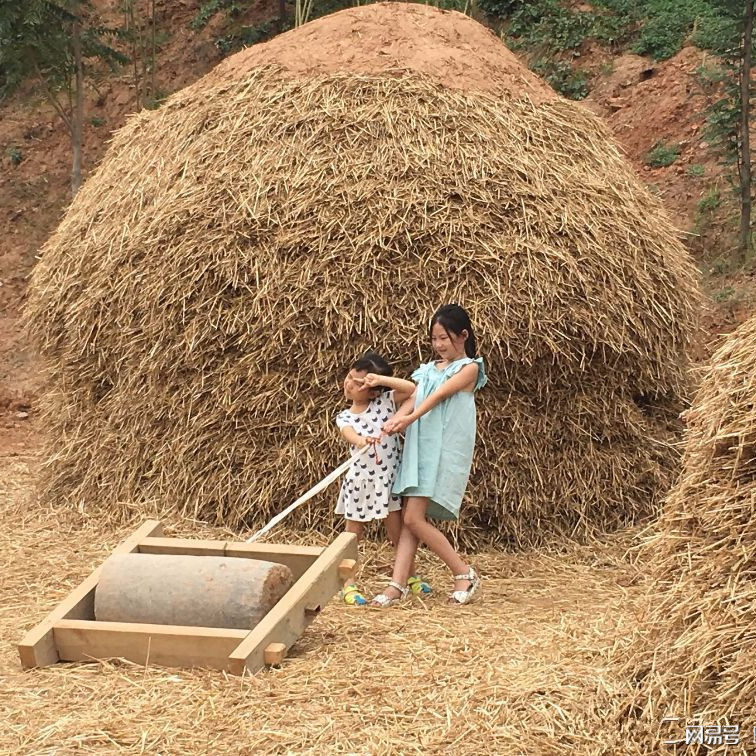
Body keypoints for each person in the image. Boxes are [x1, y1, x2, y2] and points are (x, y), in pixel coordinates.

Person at [371, 304, 487, 607]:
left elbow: (438, 397)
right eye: (434, 339)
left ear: (463, 335)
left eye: (444, 338)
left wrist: (408, 420)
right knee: (412, 516)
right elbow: (416, 396)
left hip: (442, 449)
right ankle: (398, 585)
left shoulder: (469, 369)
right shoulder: (427, 369)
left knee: (412, 517)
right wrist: (395, 419)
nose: (438, 345)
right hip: (420, 448)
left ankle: (463, 572)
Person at [336, 352, 431, 605]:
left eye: (357, 383)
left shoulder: (386, 402)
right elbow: (349, 435)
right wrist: (362, 440)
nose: (348, 384)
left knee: (397, 533)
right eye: (349, 377)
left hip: (387, 482)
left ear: (372, 391)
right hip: (360, 482)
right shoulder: (346, 416)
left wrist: (380, 380)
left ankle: (409, 577)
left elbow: (412, 389)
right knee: (353, 535)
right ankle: (348, 583)